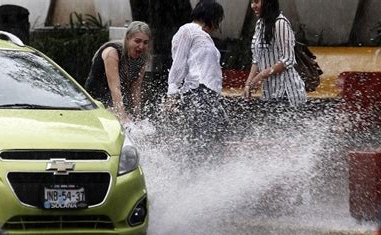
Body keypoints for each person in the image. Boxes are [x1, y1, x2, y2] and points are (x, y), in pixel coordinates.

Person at [164, 0, 228, 158]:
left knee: (213, 141)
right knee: (200, 142)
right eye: (218, 20)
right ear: (210, 17)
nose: (218, 26)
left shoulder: (205, 37)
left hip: (210, 94)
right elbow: (179, 63)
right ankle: (192, 176)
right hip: (198, 92)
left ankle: (209, 176)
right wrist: (172, 93)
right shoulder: (188, 30)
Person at [85, 21, 151, 125]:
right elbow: (115, 88)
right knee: (118, 120)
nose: (141, 46)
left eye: (145, 42)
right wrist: (123, 117)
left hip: (117, 99)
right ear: (128, 38)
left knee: (135, 123)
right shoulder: (112, 52)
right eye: (137, 41)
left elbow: (135, 89)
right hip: (97, 98)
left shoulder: (142, 59)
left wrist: (137, 116)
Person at [243, 0, 306, 107]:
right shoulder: (260, 24)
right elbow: (256, 59)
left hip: (287, 92)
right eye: (252, 2)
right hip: (269, 92)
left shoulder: (280, 23)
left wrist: (261, 76)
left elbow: (288, 60)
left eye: (257, 1)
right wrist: (248, 84)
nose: (253, 6)